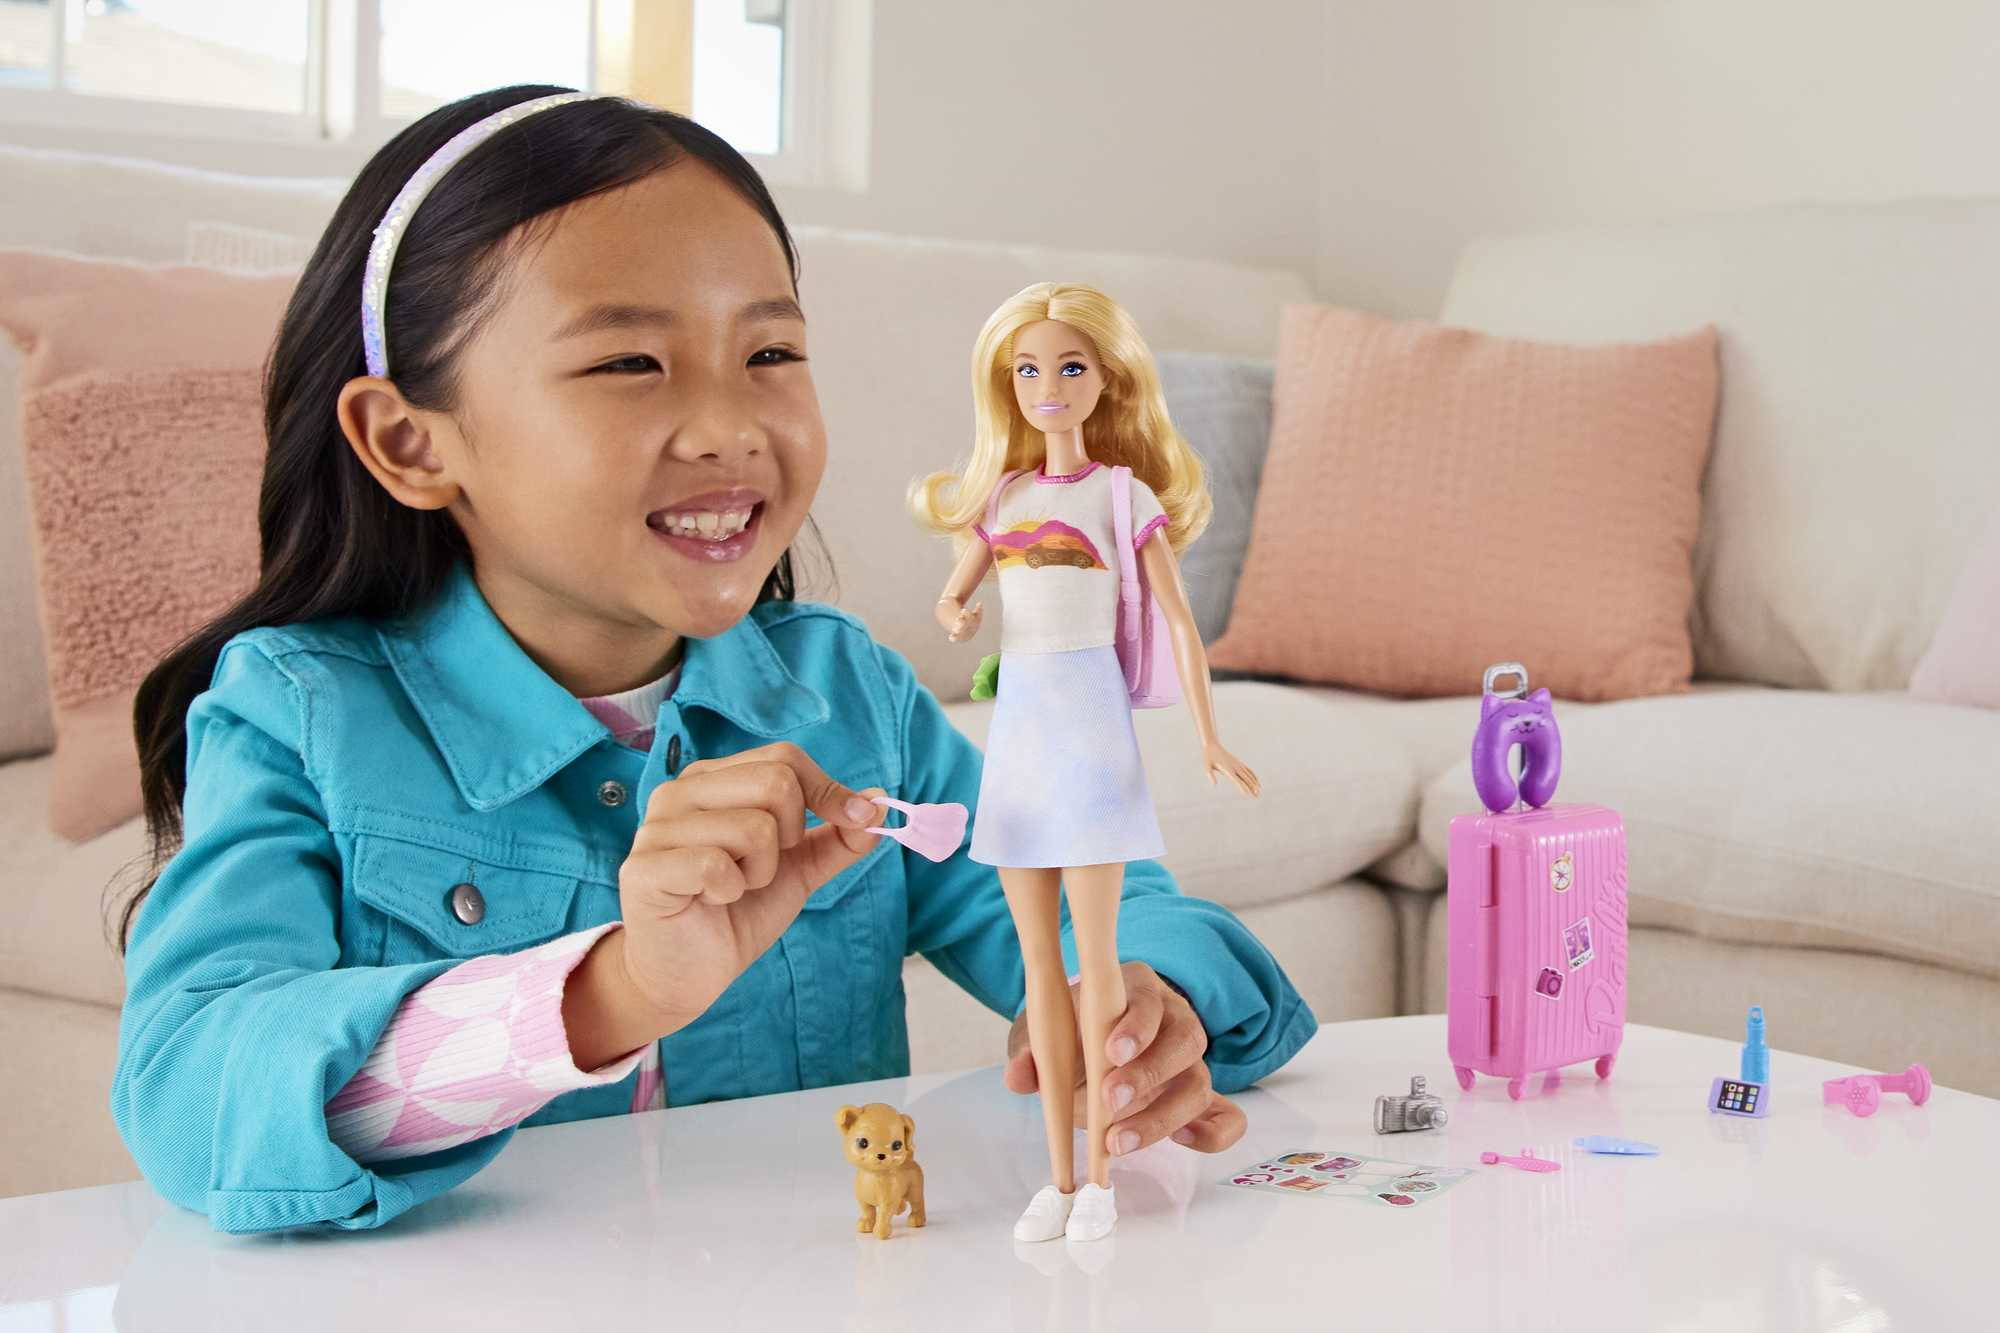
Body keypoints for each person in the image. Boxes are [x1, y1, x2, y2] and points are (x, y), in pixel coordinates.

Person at [110, 86, 1317, 1236]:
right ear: (410, 442)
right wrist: (615, 990)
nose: (731, 427)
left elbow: (1104, 901)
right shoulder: (300, 715)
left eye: (770, 355)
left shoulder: (846, 698)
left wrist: (1146, 1001)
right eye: (629, 363)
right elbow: (189, 1091)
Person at [910, 283, 1264, 1242]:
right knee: (1040, 967)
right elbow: (955, 593)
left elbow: (1179, 622)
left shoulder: (1121, 495)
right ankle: (1059, 1181)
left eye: (1069, 367)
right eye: (1028, 370)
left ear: (1107, 379)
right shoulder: (1006, 498)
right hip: (1020, 735)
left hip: (1093, 732)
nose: (1048, 387)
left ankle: (1101, 1175)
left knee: (1096, 959)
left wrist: (1208, 734)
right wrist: (955, 614)